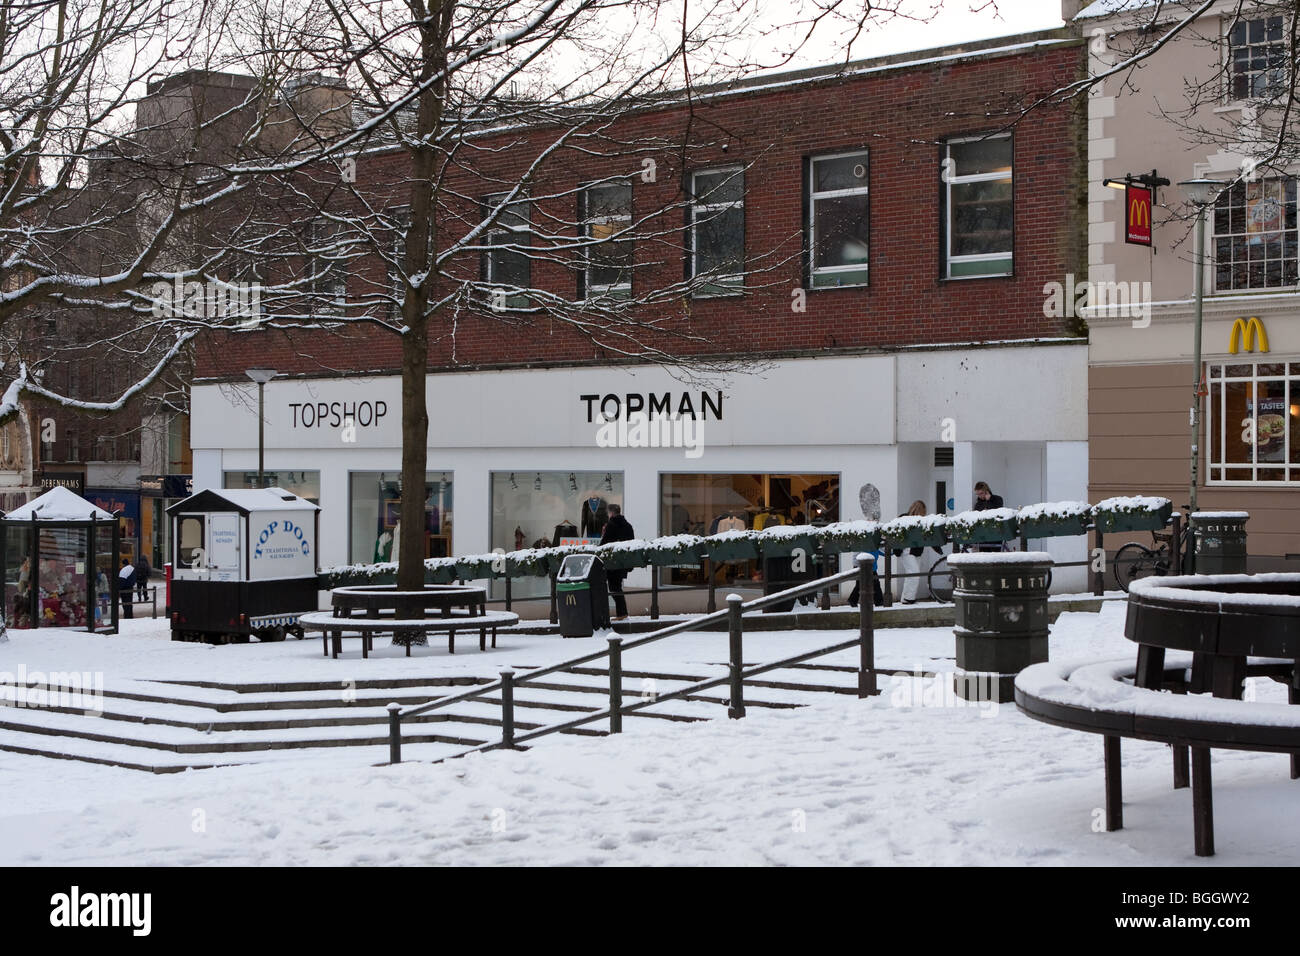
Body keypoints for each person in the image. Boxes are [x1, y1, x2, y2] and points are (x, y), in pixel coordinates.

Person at [894, 500, 942, 604]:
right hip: (907, 551)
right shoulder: (915, 520)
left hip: (913, 551)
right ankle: (908, 598)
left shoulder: (904, 518)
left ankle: (906, 598)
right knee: (913, 573)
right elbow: (929, 536)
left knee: (912, 574)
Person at [599, 503, 635, 621]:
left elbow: (604, 544)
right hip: (623, 562)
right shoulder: (628, 525)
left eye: (608, 513)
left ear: (611, 513)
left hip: (612, 562)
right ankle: (622, 613)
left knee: (614, 587)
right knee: (617, 586)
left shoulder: (611, 525)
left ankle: (622, 613)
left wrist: (602, 537)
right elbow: (631, 543)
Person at [973, 482, 1006, 553]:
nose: (979, 496)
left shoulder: (997, 499)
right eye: (977, 494)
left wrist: (989, 500)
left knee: (995, 556)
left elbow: (998, 511)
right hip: (983, 535)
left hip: (996, 533)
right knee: (984, 556)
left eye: (981, 493)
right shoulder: (978, 505)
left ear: (986, 491)